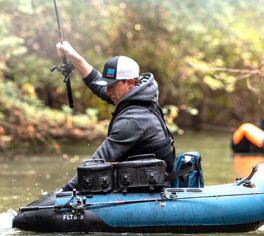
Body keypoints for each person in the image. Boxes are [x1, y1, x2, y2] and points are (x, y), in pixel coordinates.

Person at [56, 41, 175, 191]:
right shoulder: (141, 94)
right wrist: (74, 57)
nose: (107, 91)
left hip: (154, 191)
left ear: (130, 83)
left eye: (111, 86)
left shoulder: (133, 120)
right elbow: (97, 84)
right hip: (146, 180)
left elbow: (96, 164)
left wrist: (60, 195)